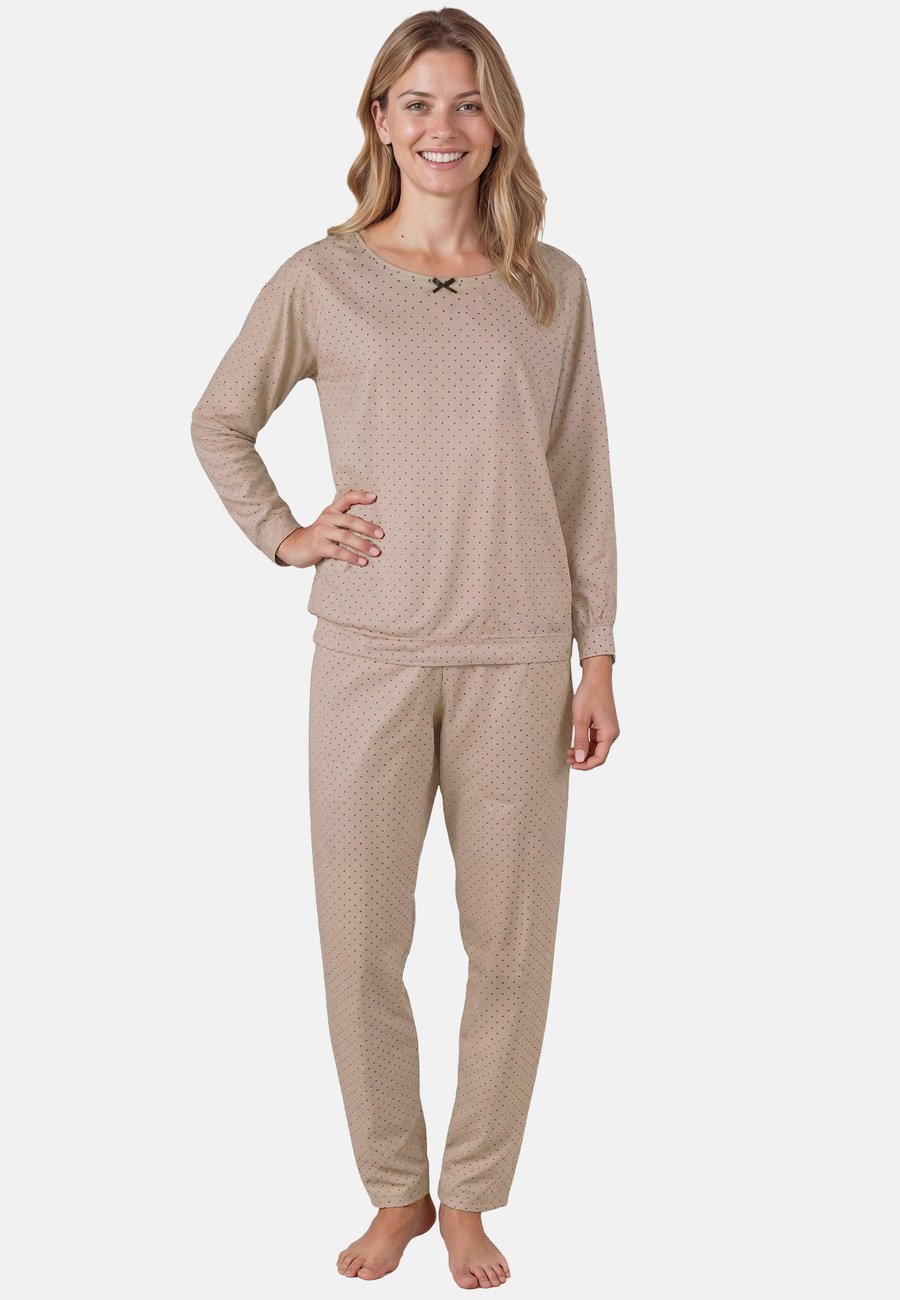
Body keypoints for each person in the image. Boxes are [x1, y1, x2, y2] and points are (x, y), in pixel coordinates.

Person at [190, 7, 620, 1288]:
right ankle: (396, 1188)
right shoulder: (322, 279)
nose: (444, 127)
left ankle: (472, 1193)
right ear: (380, 120)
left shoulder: (552, 285)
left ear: (500, 124)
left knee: (511, 946)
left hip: (517, 660)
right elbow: (220, 419)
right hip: (368, 657)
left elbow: (582, 477)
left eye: (469, 102)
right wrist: (287, 534)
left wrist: (599, 652)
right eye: (419, 102)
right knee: (361, 940)